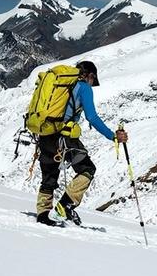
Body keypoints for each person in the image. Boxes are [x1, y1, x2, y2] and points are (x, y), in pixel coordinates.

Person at [36, 60, 128, 226]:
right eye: (93, 80)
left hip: (45, 132)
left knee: (49, 176)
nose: (92, 84)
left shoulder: (60, 84)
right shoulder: (84, 87)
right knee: (87, 168)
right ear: (90, 76)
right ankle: (64, 206)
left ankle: (43, 215)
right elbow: (91, 116)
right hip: (65, 137)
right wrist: (112, 136)